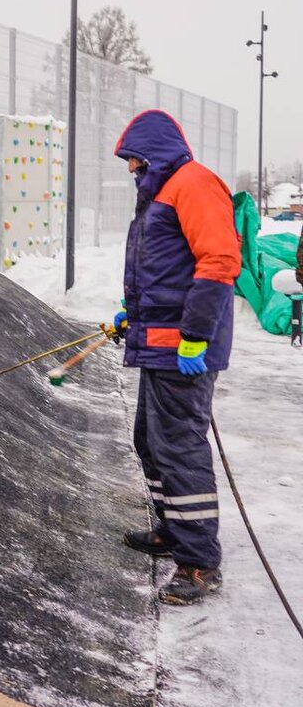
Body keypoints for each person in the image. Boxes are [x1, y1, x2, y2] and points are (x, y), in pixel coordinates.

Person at [113, 109, 242, 606]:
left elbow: (219, 260)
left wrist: (195, 336)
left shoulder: (193, 184)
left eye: (134, 158)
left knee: (180, 448)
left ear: (155, 150)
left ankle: (199, 562)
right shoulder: (159, 193)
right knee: (149, 440)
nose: (130, 168)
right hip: (159, 341)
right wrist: (133, 313)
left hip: (184, 347)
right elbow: (160, 268)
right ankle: (173, 529)